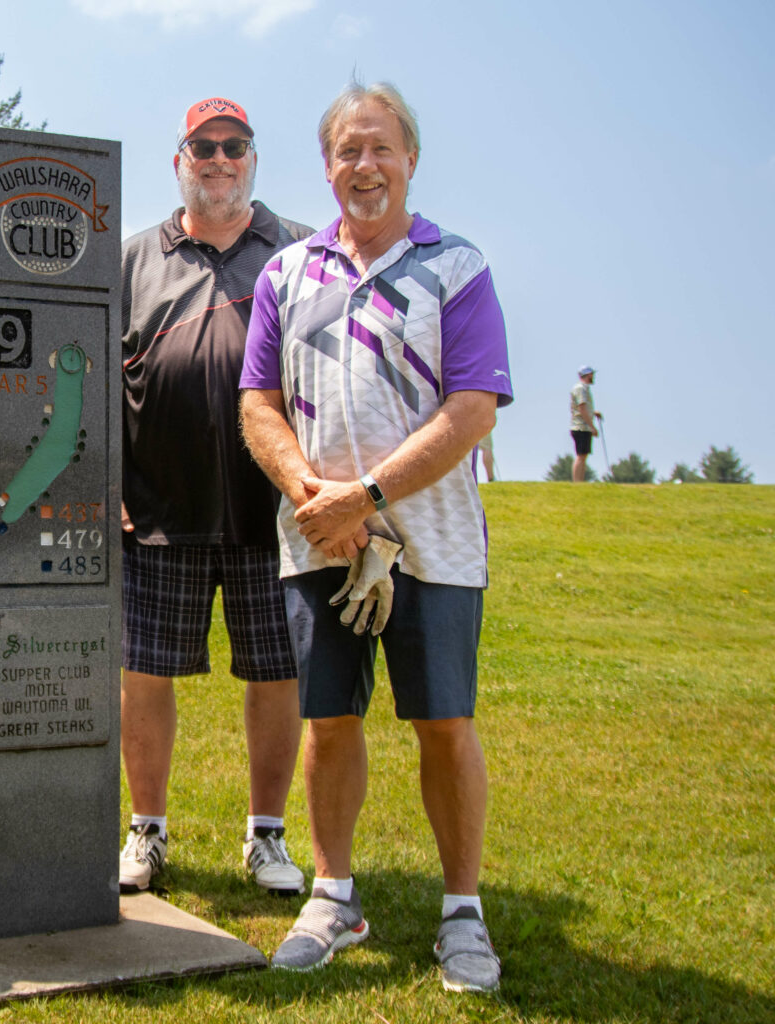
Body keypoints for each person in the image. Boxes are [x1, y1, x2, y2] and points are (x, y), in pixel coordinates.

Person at [239, 80, 511, 993]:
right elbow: (258, 403)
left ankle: (463, 913)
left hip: (432, 542)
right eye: (347, 150)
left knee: (444, 722)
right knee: (328, 720)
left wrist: (366, 495)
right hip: (318, 537)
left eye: (380, 147)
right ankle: (333, 896)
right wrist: (311, 494)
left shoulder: (457, 267)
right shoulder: (286, 273)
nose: (365, 165)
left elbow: (472, 410)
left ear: (410, 159)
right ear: (327, 167)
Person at [116, 97, 312, 898]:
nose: (220, 160)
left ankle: (267, 835)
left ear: (253, 160)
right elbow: (88, 376)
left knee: (277, 673)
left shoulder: (301, 252)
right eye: (205, 147)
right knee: (143, 671)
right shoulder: (133, 259)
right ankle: (146, 830)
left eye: (235, 146)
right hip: (157, 508)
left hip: (276, 511)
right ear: (180, 161)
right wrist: (107, 486)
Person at [570, 366, 602, 482]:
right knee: (581, 456)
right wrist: (592, 427)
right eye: (592, 374)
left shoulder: (583, 388)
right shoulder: (581, 388)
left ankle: (580, 482)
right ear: (588, 375)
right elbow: (582, 408)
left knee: (583, 456)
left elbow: (583, 408)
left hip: (582, 426)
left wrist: (593, 412)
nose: (593, 376)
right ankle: (577, 482)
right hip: (581, 427)